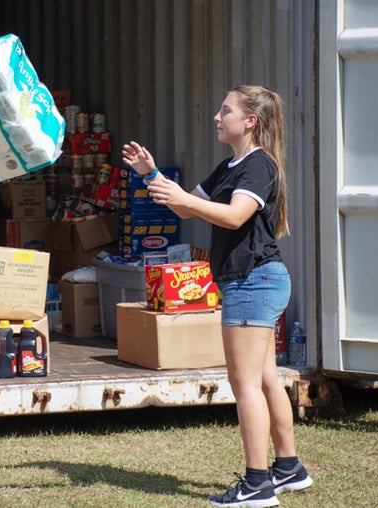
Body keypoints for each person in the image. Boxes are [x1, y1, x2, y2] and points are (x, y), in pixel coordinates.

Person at [122, 85, 313, 507]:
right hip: (253, 280)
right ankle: (288, 469)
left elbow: (234, 215)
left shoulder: (258, 166)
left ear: (250, 121)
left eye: (225, 110)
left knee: (244, 383)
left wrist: (180, 195)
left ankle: (257, 484)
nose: (216, 116)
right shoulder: (230, 166)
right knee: (263, 380)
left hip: (253, 280)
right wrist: (152, 175)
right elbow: (187, 208)